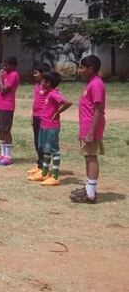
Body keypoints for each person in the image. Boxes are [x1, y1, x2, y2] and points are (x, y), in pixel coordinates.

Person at [70, 55, 105, 203]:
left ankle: (91, 195)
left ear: (90, 69)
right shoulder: (91, 83)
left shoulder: (96, 84)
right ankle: (88, 188)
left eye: (82, 68)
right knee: (87, 156)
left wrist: (91, 132)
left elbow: (98, 109)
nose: (80, 70)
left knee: (91, 157)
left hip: (91, 128)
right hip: (86, 127)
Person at [29, 71, 72, 186]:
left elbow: (67, 103)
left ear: (48, 83)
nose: (41, 83)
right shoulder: (49, 93)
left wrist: (58, 112)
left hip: (51, 127)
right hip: (44, 125)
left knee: (54, 150)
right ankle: (44, 173)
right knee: (46, 150)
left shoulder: (53, 94)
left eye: (43, 81)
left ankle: (55, 176)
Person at [0, 56, 20, 166]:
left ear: (12, 66)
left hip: (7, 106)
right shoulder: (6, 74)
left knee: (6, 130)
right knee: (0, 129)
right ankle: (2, 154)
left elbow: (2, 89)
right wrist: (0, 83)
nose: (4, 67)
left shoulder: (13, 75)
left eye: (6, 65)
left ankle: (8, 156)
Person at [27, 63, 52, 178]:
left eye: (36, 73)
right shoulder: (37, 86)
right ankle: (39, 165)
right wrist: (33, 116)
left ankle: (44, 167)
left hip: (44, 118)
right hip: (36, 117)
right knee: (37, 141)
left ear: (43, 74)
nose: (34, 75)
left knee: (43, 142)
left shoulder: (48, 87)